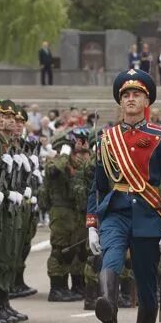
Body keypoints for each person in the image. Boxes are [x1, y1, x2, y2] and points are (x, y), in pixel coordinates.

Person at [85, 68, 161, 323]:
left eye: (136, 94)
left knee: (146, 285)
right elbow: (97, 186)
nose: (130, 99)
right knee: (110, 258)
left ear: (146, 100)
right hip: (115, 211)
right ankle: (108, 306)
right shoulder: (106, 139)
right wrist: (91, 224)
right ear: (120, 101)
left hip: (148, 214)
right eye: (125, 95)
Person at [42, 126, 92, 303]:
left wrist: (87, 152)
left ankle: (77, 285)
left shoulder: (76, 162)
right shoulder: (55, 161)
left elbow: (86, 171)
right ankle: (57, 288)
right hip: (60, 212)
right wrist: (64, 151)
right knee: (60, 250)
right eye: (73, 144)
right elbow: (56, 170)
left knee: (76, 250)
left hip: (75, 212)